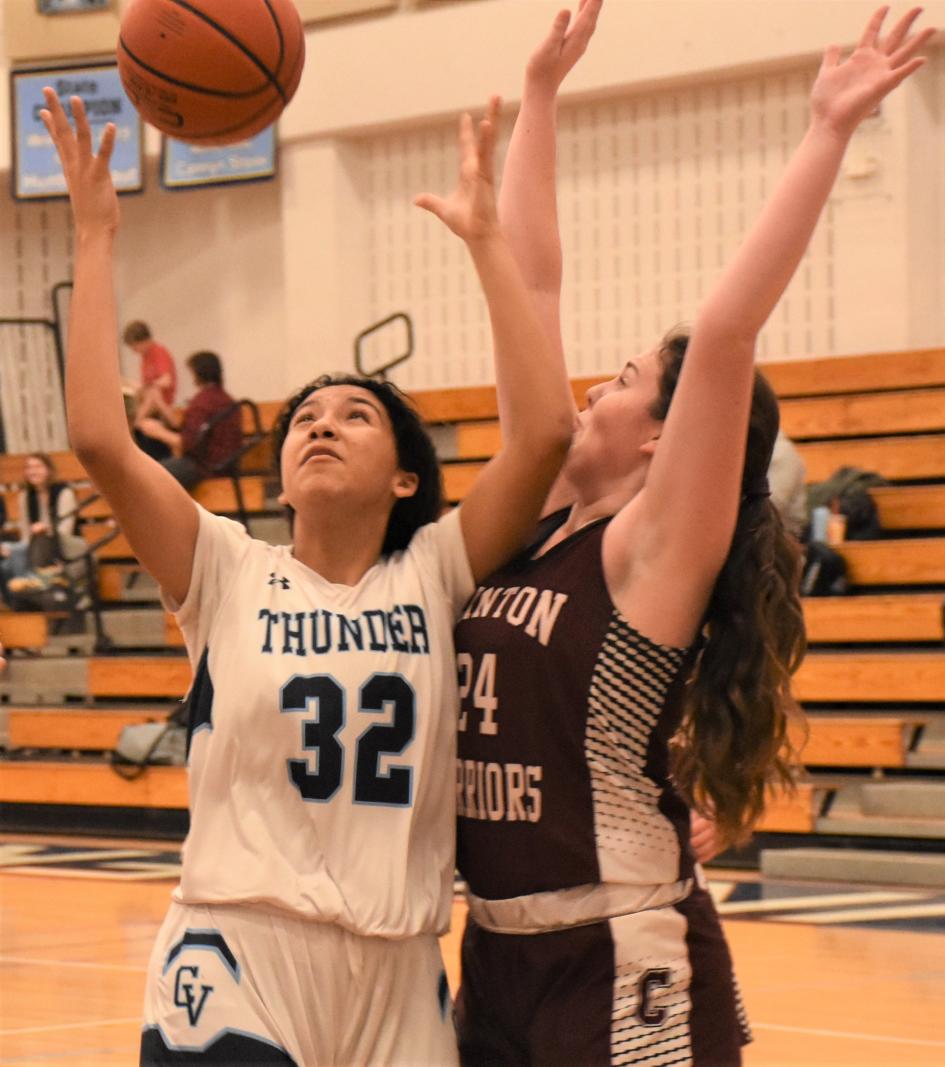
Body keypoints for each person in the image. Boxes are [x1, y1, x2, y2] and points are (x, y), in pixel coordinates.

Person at [41, 84, 572, 1065]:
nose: (320, 423)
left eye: (353, 414)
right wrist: (97, 235)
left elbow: (545, 433)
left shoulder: (433, 568)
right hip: (239, 947)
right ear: (282, 473)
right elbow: (101, 442)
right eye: (304, 419)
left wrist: (487, 240)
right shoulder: (225, 564)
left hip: (399, 966)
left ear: (407, 474)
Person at [453, 6, 934, 1065]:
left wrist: (828, 130)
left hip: (616, 951)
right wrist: (540, 96)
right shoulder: (531, 523)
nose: (585, 387)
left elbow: (723, 332)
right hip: (492, 951)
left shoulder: (648, 553)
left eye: (619, 384)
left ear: (666, 435)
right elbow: (533, 283)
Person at [135, 350, 243, 489]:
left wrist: (157, 432)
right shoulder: (226, 399)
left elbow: (188, 443)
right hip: (225, 464)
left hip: (204, 466)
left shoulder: (202, 402)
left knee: (144, 475)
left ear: (197, 374)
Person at [0, 453, 83, 606]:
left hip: (63, 547)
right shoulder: (25, 496)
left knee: (13, 557)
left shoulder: (64, 493)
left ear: (49, 470)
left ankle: (28, 592)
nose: (33, 471)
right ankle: (23, 601)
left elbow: (65, 531)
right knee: (5, 563)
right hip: (34, 548)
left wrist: (45, 531)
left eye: (38, 467)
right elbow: (25, 535)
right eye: (29, 468)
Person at [123, 320, 178, 461]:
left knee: (152, 393)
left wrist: (144, 386)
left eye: (134, 346)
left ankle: (135, 426)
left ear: (141, 341)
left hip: (160, 408)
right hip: (151, 407)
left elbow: (166, 380)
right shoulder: (145, 357)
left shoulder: (158, 352)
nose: (134, 350)